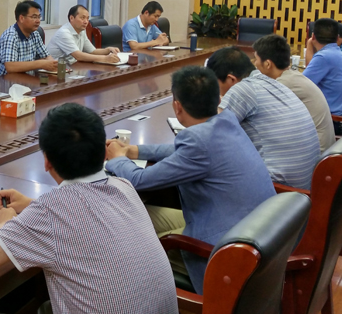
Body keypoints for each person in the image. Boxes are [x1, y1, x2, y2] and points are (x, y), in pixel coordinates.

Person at [0, 103, 177, 314]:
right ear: (105, 153)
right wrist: (32, 206)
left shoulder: (50, 213)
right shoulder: (124, 186)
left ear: (46, 161)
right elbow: (79, 217)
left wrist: (5, 222)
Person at [106, 66, 276, 294]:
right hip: (249, 237)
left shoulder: (198, 141)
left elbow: (138, 180)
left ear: (177, 107)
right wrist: (134, 150)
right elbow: (182, 152)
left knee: (128, 237)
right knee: (132, 215)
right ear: (218, 99)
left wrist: (117, 159)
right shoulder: (226, 121)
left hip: (222, 254)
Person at [206, 47, 319, 190]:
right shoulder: (270, 82)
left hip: (279, 189)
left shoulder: (242, 89)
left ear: (231, 79)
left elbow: (210, 135)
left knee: (205, 173)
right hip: (304, 187)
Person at [252, 34, 335, 152]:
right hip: (319, 146)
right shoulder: (291, 76)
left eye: (256, 59)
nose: (255, 63)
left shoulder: (282, 84)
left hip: (315, 153)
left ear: (268, 64)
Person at [0, 0, 57, 78]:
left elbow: (46, 56)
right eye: (34, 17)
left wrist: (53, 65)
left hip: (23, 79)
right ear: (21, 18)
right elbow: (10, 67)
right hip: (0, 81)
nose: (38, 21)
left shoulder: (35, 34)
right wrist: (40, 64)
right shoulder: (10, 36)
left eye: (39, 17)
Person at [304, 18, 342, 134]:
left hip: (332, 122)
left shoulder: (324, 56)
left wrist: (309, 45)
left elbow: (301, 84)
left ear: (313, 36)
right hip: (339, 119)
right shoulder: (337, 53)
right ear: (337, 38)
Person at [46, 5, 120, 65]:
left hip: (72, 67)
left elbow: (92, 51)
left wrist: (108, 50)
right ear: (71, 18)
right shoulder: (64, 33)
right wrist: (105, 59)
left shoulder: (82, 31)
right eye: (82, 18)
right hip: (56, 70)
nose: (86, 22)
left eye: (87, 18)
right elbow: (78, 56)